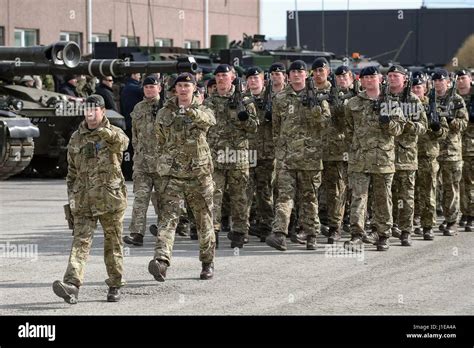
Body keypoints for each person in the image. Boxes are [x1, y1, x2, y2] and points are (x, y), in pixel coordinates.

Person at [52, 94, 129, 304]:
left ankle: (115, 284)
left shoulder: (113, 133)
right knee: (80, 243)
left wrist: (103, 132)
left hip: (109, 199)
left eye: (95, 110)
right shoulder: (76, 138)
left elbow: (123, 144)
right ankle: (72, 285)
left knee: (113, 244)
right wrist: (72, 200)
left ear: (103, 111)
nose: (91, 113)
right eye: (87, 110)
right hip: (84, 200)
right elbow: (72, 173)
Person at [148, 73, 216, 281]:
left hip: (199, 175)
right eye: (180, 86)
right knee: (167, 219)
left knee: (203, 220)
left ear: (194, 88)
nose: (184, 89)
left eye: (187, 85)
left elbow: (209, 122)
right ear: (174, 89)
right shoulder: (164, 112)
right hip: (173, 174)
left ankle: (207, 262)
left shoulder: (203, 110)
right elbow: (159, 138)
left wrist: (191, 111)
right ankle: (161, 261)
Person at [265, 60, 331, 251]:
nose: (296, 75)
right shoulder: (280, 98)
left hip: (310, 156)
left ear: (306, 75)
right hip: (286, 157)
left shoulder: (318, 96)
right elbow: (276, 127)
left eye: (299, 72)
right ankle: (279, 234)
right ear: (288, 75)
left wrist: (314, 108)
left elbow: (325, 122)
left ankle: (311, 235)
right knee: (284, 196)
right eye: (292, 72)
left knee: (309, 197)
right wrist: (280, 149)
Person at [344, 66, 405, 252]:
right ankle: (356, 235)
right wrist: (355, 149)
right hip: (360, 158)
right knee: (358, 197)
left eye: (373, 77)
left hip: (383, 158)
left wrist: (388, 123)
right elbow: (348, 130)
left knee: (383, 198)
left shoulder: (391, 102)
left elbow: (399, 130)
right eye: (366, 77)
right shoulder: (353, 103)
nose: (369, 80)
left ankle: (383, 234)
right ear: (361, 81)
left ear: (379, 79)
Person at [204, 64, 258, 248]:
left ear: (232, 77)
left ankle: (240, 232)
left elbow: (254, 128)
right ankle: (214, 233)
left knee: (240, 197)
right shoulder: (208, 102)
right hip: (215, 157)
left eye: (224, 75)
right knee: (213, 196)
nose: (220, 79)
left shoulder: (244, 100)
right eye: (218, 75)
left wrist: (245, 118)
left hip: (237, 156)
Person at [386, 65, 428, 246]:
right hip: (384, 155)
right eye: (390, 75)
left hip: (406, 156)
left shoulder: (412, 101)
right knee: (385, 195)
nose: (392, 78)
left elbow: (423, 127)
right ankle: (387, 227)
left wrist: (407, 123)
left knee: (406, 195)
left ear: (404, 79)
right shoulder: (382, 97)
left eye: (396, 75)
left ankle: (406, 230)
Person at [123, 76, 162, 246]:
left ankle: (166, 230)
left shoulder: (166, 106)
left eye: (152, 87)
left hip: (162, 164)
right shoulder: (138, 108)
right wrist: (137, 154)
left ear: (159, 88)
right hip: (142, 164)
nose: (149, 90)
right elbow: (135, 135)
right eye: (146, 87)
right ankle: (137, 233)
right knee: (140, 199)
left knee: (163, 200)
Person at [412, 77, 448, 240]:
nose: (416, 90)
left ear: (424, 89)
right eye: (413, 88)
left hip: (427, 156)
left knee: (428, 192)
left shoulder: (433, 106)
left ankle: (428, 226)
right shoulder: (406, 105)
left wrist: (437, 129)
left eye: (419, 87)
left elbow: (444, 132)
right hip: (407, 156)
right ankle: (410, 222)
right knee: (408, 193)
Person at [433, 69, 468, 235]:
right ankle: (429, 219)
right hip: (432, 150)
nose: (438, 83)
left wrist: (450, 119)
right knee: (432, 187)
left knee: (451, 187)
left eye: (441, 80)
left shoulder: (456, 99)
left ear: (447, 82)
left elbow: (463, 124)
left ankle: (451, 221)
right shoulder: (429, 98)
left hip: (451, 151)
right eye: (436, 80)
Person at [245, 66, 275, 242]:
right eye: (250, 78)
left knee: (265, 192)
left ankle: (267, 225)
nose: (253, 81)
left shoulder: (273, 98)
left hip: (268, 153)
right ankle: (244, 227)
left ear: (263, 80)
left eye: (257, 78)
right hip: (247, 153)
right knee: (245, 192)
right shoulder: (243, 99)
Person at [456, 69, 474, 231]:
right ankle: (465, 212)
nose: (460, 81)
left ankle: (471, 214)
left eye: (463, 78)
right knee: (461, 182)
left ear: (470, 79)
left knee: (470, 182)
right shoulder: (453, 97)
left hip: (471, 146)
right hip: (456, 147)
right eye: (458, 78)